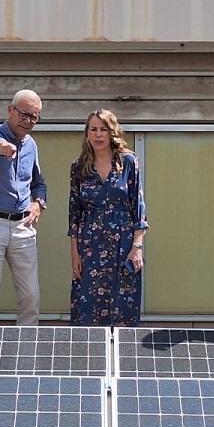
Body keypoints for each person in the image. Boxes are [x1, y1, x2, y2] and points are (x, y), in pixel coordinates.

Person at [0, 89, 47, 325]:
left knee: (31, 296)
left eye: (34, 117)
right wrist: (5, 149)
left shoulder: (31, 144)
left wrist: (38, 203)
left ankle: (26, 353)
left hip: (23, 225)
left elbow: (39, 183)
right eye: (24, 114)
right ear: (10, 110)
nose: (28, 121)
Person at [68, 109, 148, 327]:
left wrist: (137, 247)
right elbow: (74, 214)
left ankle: (121, 357)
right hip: (90, 244)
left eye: (103, 129)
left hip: (123, 244)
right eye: (93, 129)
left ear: (112, 132)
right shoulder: (79, 167)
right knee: (88, 306)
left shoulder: (129, 162)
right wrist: (74, 253)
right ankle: (87, 357)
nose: (98, 134)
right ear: (87, 134)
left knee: (123, 304)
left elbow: (138, 207)